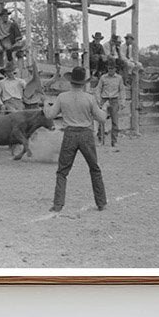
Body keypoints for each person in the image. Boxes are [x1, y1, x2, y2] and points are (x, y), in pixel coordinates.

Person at [44, 66, 108, 213]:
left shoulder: (62, 97)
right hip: (86, 134)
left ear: (71, 82)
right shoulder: (89, 98)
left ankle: (58, 204)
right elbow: (102, 118)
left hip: (70, 134)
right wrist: (105, 108)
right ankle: (101, 203)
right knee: (94, 168)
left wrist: (46, 105)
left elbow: (49, 115)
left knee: (62, 172)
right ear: (84, 82)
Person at [94, 61, 125, 147]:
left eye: (112, 68)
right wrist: (99, 100)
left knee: (115, 121)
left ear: (115, 69)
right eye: (109, 68)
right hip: (104, 99)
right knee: (101, 120)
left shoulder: (119, 78)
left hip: (114, 100)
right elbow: (98, 89)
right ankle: (101, 139)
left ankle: (114, 141)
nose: (110, 70)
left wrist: (122, 102)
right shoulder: (103, 78)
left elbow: (122, 90)